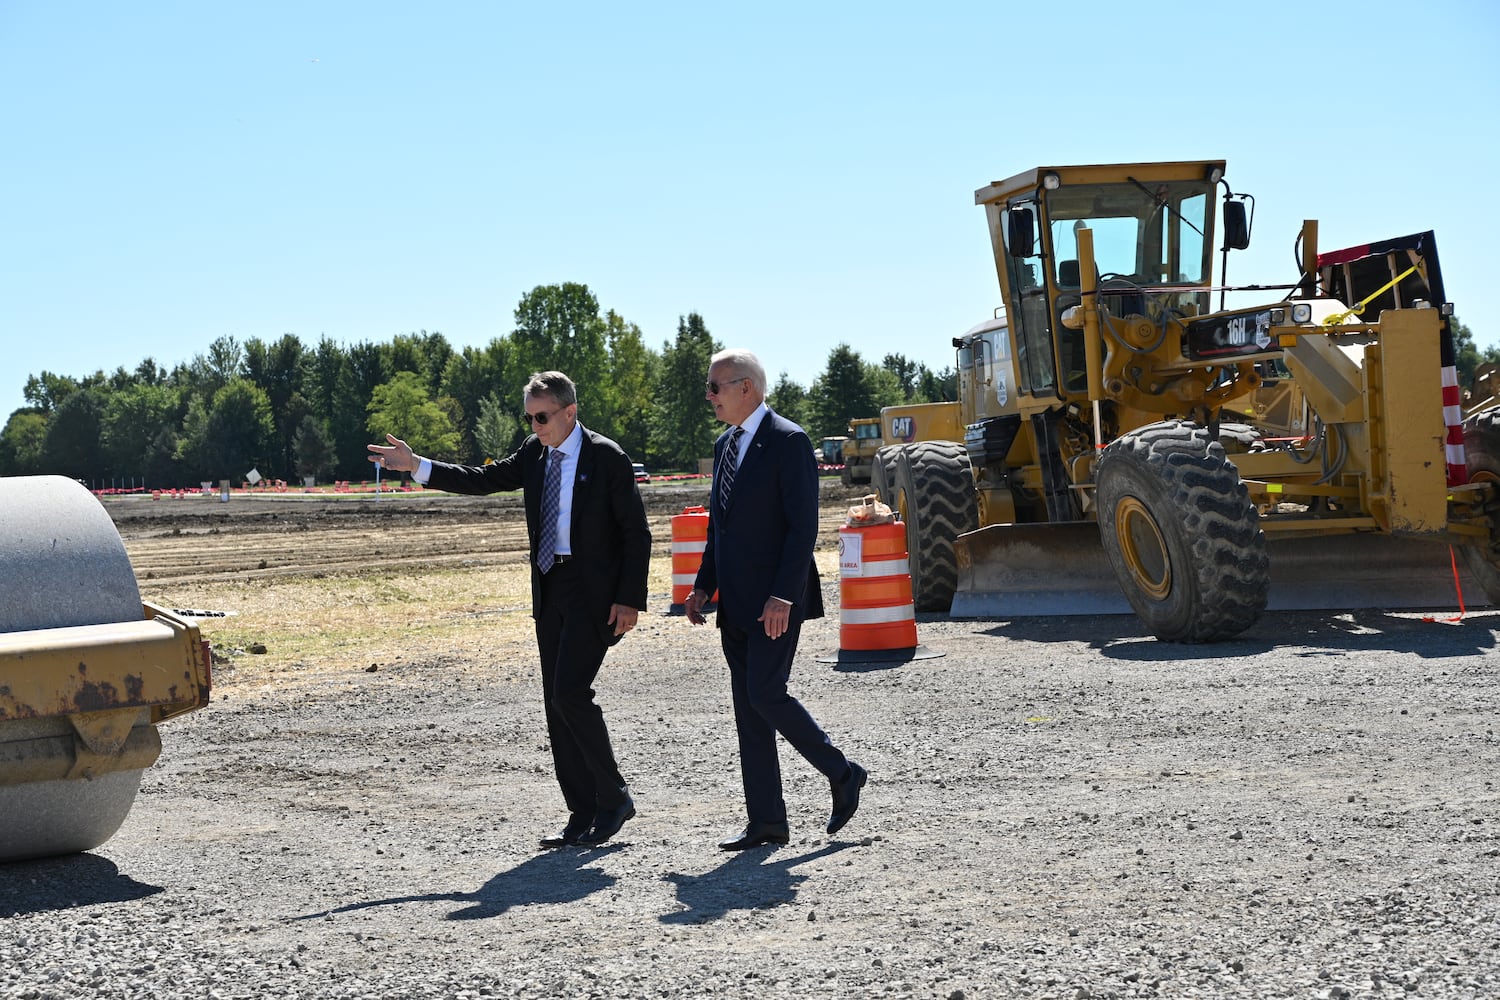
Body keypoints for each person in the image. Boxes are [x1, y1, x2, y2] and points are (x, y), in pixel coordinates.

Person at [369, 371, 650, 849]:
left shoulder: (606, 457)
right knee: (555, 705)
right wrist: (418, 465)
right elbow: (482, 480)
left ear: (569, 412)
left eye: (542, 417)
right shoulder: (533, 453)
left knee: (570, 694)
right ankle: (581, 811)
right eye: (530, 417)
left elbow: (635, 533)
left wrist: (629, 599)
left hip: (595, 593)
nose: (535, 425)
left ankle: (614, 797)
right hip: (550, 587)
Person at [684, 348, 867, 850]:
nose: (709, 395)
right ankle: (766, 822)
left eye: (715, 386)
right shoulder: (725, 446)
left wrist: (784, 595)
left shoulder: (789, 441)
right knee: (749, 709)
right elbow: (720, 528)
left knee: (766, 693)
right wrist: (703, 585)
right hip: (736, 601)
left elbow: (801, 527)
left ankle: (842, 771)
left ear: (747, 387)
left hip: (775, 601)